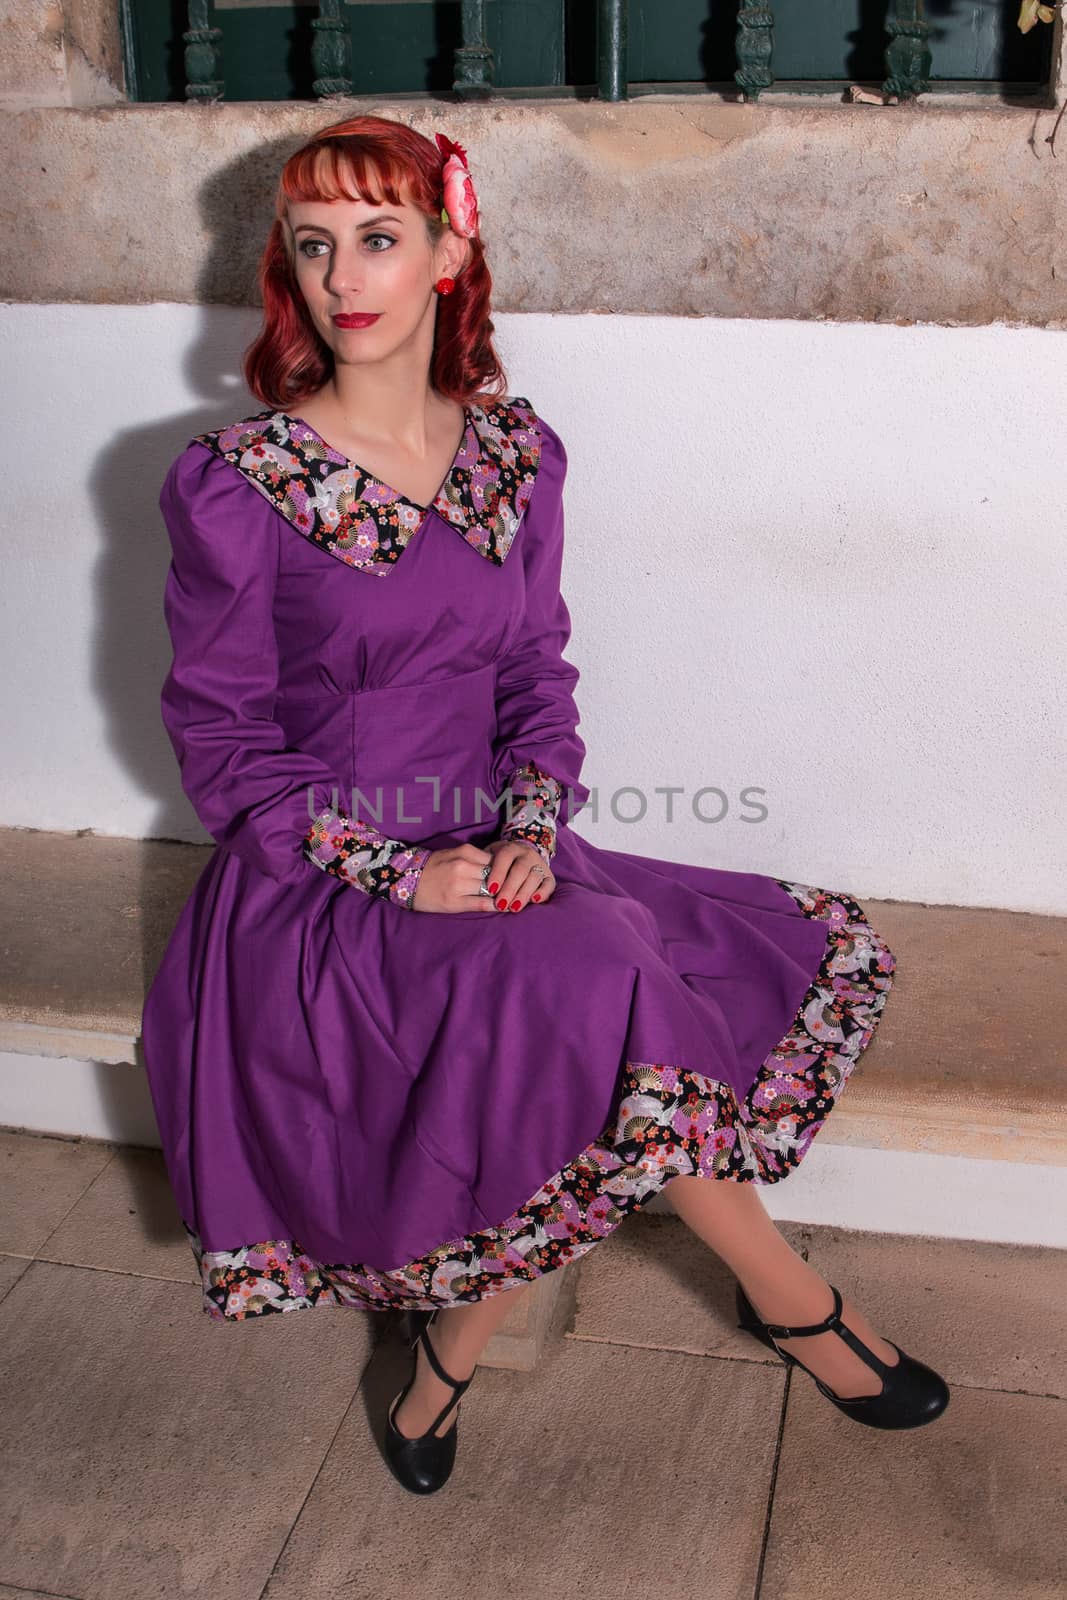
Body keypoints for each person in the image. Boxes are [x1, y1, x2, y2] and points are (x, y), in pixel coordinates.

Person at [142, 113, 948, 1497]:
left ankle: (446, 1360)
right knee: (605, 986)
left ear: (452, 253)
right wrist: (407, 877)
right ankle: (789, 1302)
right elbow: (222, 746)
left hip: (499, 850)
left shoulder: (517, 453)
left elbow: (533, 671)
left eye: (382, 238)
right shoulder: (236, 489)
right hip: (324, 891)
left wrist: (524, 824)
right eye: (317, 243)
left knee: (604, 979)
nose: (347, 276)